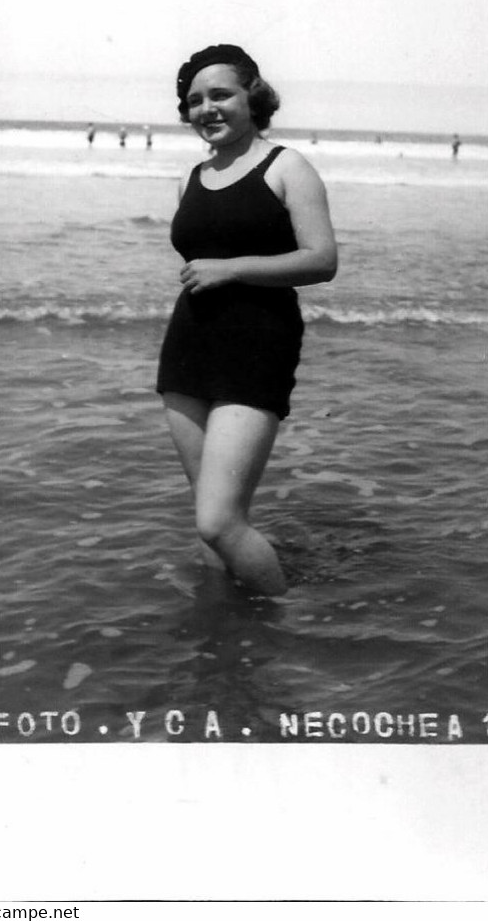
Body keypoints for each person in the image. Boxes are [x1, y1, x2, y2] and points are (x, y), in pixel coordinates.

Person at [156, 43, 338, 596]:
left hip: (258, 348)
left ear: (251, 96)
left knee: (219, 520)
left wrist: (231, 269)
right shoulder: (191, 177)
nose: (206, 109)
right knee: (208, 520)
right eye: (194, 101)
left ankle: (283, 627)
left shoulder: (287, 166)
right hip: (189, 348)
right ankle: (225, 634)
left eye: (220, 95)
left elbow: (321, 259)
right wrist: (218, 270)